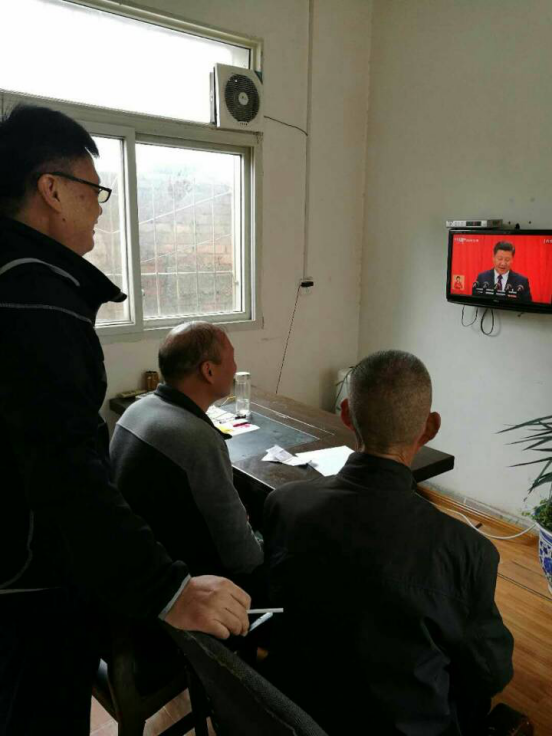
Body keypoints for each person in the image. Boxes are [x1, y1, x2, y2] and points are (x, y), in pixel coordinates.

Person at [0, 104, 250, 736]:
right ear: (51, 189)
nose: (100, 209)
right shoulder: (37, 301)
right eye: (93, 190)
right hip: (30, 593)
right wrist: (170, 589)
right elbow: (67, 476)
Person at [263, 350, 513, 736]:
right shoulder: (466, 551)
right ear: (430, 428)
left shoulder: (284, 503)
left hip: (295, 709)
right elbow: (490, 674)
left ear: (346, 414)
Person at [110, 322, 264, 590]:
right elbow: (242, 557)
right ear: (208, 370)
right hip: (182, 581)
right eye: (232, 358)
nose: (236, 367)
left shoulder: (138, 409)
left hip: (134, 559)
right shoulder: (197, 439)